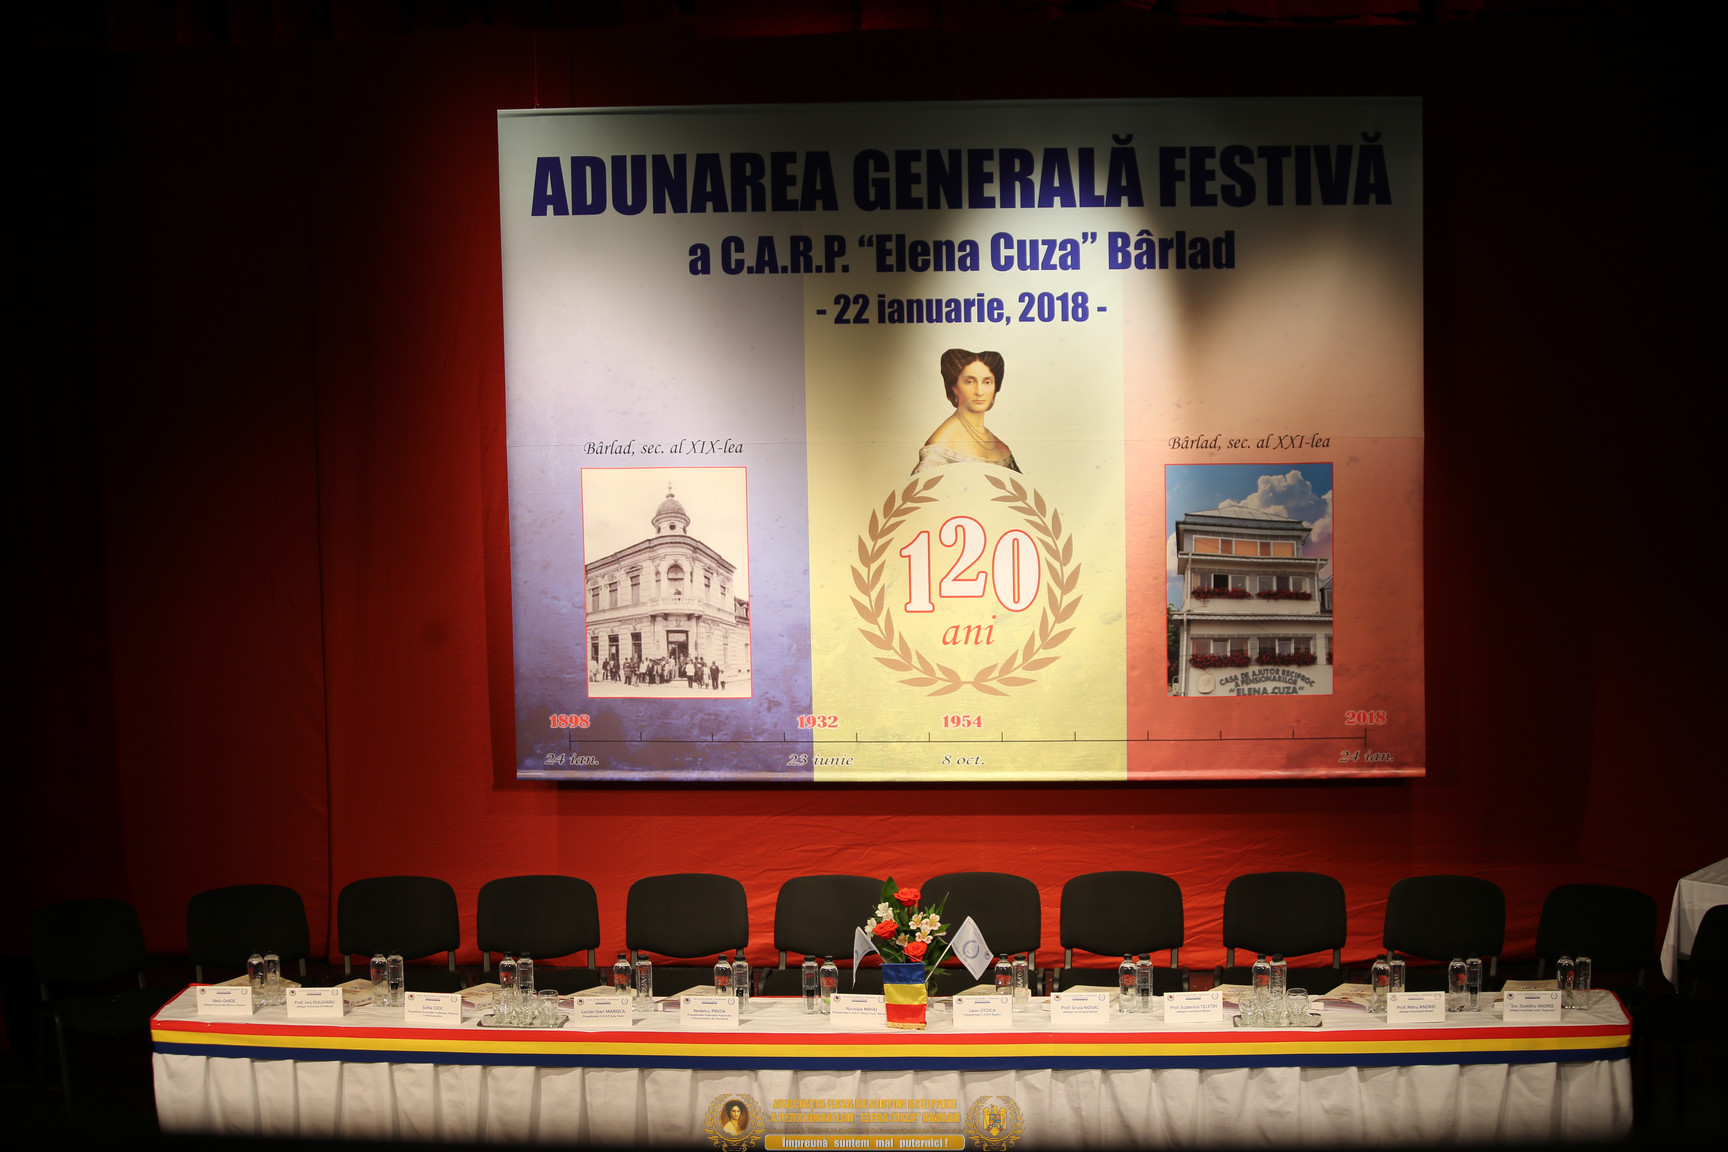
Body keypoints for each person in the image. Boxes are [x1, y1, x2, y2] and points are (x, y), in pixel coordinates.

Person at [913, 348, 1020, 474]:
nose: (979, 391)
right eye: (970, 382)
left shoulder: (1000, 446)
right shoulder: (942, 444)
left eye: (987, 382)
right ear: (954, 387)